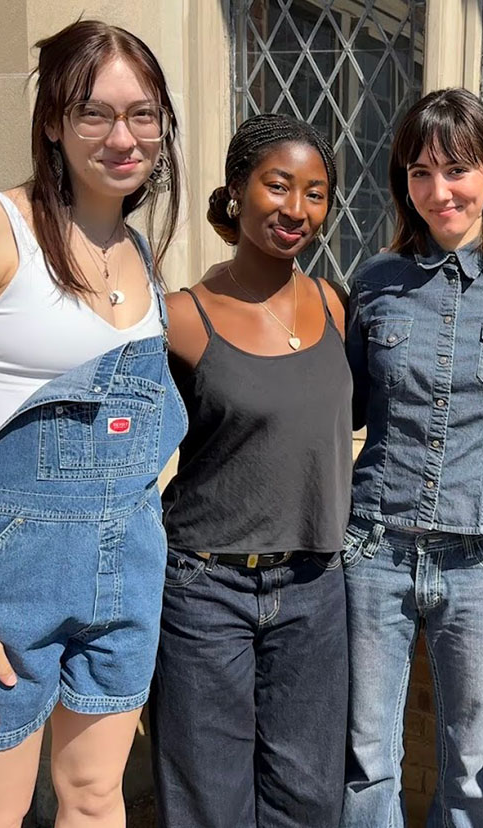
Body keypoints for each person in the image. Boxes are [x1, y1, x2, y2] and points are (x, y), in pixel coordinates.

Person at [0, 20, 186, 825]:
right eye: (95, 113)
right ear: (53, 120)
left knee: (95, 797)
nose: (123, 137)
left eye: (143, 114)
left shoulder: (140, 255)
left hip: (125, 567)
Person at [340, 88, 483, 827]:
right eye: (420, 173)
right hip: (375, 547)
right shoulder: (376, 282)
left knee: (471, 763)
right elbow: (343, 409)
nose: (440, 192)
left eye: (457, 169)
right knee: (367, 757)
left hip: (482, 556)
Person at [148, 113, 352, 828]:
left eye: (315, 193)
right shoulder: (181, 317)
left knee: (310, 797)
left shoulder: (334, 306)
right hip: (205, 590)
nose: (296, 209)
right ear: (238, 189)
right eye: (278, 185)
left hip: (314, 587)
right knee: (209, 799)